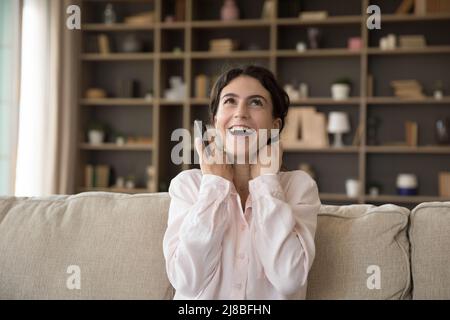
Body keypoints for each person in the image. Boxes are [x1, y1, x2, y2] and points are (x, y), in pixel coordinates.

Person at [163, 65, 321, 299]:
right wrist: (215, 185)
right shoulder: (189, 186)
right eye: (229, 101)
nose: (241, 113)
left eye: (256, 102)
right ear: (216, 120)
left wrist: (266, 183)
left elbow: (289, 279)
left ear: (274, 127)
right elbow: (186, 280)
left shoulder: (299, 187)